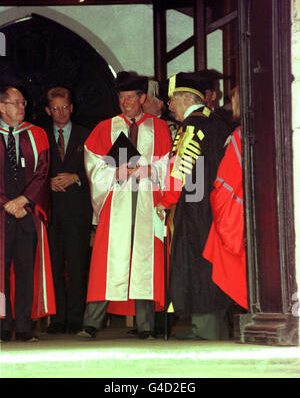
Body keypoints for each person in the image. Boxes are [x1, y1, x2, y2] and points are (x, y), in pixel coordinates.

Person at [78, 71, 172, 340]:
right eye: (122, 97)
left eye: (131, 97)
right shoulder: (105, 127)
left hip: (146, 200)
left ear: (143, 98)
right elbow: (92, 165)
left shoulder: (159, 127)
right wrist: (113, 174)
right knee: (109, 261)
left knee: (145, 260)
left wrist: (150, 171)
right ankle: (91, 323)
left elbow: (168, 163)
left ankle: (146, 326)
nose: (126, 102)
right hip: (116, 203)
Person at [156, 71, 233, 340]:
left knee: (198, 263)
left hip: (196, 208)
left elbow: (179, 171)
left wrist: (164, 201)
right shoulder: (219, 123)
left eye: (171, 100)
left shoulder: (190, 126)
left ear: (186, 98)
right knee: (213, 263)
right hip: (218, 206)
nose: (169, 106)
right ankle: (214, 326)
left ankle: (205, 329)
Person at [0, 85, 55, 342]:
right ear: (2, 106)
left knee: (25, 271)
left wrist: (23, 201)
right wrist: (5, 203)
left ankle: (23, 327)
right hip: (1, 214)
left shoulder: (37, 134)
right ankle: (1, 325)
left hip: (27, 213)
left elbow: (43, 172)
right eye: (16, 103)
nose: (22, 107)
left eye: (23, 102)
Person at [44, 86, 92, 334]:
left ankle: (75, 318)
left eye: (64, 107)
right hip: (50, 213)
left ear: (71, 107)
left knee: (76, 266)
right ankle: (57, 319)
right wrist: (47, 181)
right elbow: (33, 170)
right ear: (48, 110)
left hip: (77, 211)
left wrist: (77, 177)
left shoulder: (87, 135)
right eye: (55, 109)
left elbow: (99, 170)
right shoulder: (40, 136)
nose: (61, 113)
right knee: (52, 265)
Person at [203, 87, 248, 311]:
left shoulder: (240, 135)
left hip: (239, 208)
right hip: (260, 208)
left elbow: (225, 181)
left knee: (232, 258)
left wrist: (216, 197)